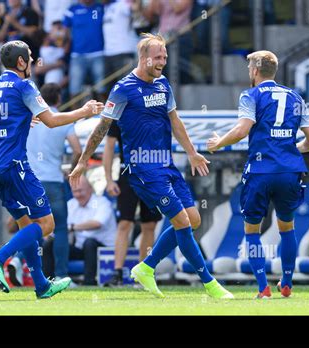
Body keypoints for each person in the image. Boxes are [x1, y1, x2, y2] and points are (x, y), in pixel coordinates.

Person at [70, 33, 234, 300]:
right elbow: (102, 129)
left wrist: (192, 153)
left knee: (193, 219)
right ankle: (210, 283)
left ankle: (146, 267)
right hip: (142, 169)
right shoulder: (123, 89)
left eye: (165, 57)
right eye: (158, 57)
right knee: (180, 222)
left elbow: (175, 121)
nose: (163, 62)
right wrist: (82, 162)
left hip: (166, 164)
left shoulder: (163, 85)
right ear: (144, 58)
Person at [0, 40, 103, 299]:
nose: (34, 62)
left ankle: (41, 285)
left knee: (27, 226)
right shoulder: (24, 85)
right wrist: (84, 110)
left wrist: (21, 116)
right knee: (46, 225)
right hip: (14, 165)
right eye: (31, 58)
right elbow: (52, 121)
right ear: (21, 62)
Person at [206, 50, 309, 299]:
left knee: (251, 231)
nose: (249, 72)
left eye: (249, 69)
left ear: (255, 71)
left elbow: (242, 130)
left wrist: (218, 144)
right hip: (290, 170)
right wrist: (291, 149)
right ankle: (287, 283)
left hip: (260, 170)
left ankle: (263, 288)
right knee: (287, 227)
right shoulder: (296, 97)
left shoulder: (250, 95)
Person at [26, 83, 82, 283]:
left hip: (31, 181)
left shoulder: (31, 118)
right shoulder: (63, 121)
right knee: (59, 229)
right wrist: (73, 170)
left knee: (29, 226)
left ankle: (19, 264)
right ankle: (61, 274)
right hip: (54, 181)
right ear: (59, 98)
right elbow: (77, 150)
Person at [102, 120, 161, 287]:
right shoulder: (119, 115)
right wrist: (108, 179)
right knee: (124, 223)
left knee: (149, 225)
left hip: (152, 175)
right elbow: (109, 146)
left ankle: (144, 273)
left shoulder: (153, 111)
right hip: (127, 174)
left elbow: (163, 142)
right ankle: (118, 273)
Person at [65, 176, 116, 285]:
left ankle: (89, 283)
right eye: (75, 191)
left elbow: (97, 223)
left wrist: (72, 227)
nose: (78, 195)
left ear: (90, 189)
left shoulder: (102, 202)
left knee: (89, 243)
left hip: (103, 249)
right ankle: (50, 281)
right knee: (52, 245)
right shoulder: (71, 204)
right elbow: (62, 226)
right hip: (81, 248)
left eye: (80, 191)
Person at [62, 0, 106, 103]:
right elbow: (66, 31)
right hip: (77, 55)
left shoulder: (101, 8)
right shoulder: (71, 10)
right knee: (74, 89)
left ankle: (104, 117)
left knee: (101, 88)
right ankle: (76, 118)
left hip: (98, 53)